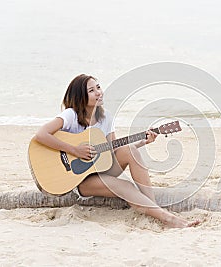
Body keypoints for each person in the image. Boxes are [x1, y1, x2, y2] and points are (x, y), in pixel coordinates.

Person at [34, 74, 200, 228]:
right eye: (91, 90)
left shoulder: (105, 118)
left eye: (98, 87)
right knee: (126, 186)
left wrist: (144, 141)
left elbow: (113, 148)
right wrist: (75, 150)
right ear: (80, 97)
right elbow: (41, 134)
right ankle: (168, 218)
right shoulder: (70, 115)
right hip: (79, 180)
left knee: (130, 150)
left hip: (99, 169)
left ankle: (154, 209)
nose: (98, 92)